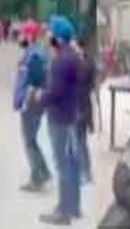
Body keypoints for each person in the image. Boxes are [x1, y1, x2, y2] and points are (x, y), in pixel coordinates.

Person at [35, 16, 81, 225]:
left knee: (62, 164)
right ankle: (72, 206)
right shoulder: (71, 55)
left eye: (51, 33)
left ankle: (63, 212)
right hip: (69, 114)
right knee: (70, 162)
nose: (47, 36)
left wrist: (40, 97)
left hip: (60, 117)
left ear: (58, 38)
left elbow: (56, 91)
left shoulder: (61, 61)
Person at [12, 20, 51, 192]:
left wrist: (25, 100)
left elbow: (37, 82)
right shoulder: (33, 53)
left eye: (22, 34)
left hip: (31, 105)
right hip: (32, 103)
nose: (20, 37)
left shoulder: (34, 56)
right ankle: (44, 172)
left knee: (29, 142)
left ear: (29, 35)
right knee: (31, 140)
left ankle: (37, 178)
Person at [74, 35, 95, 185]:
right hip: (83, 105)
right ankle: (84, 171)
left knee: (80, 141)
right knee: (79, 140)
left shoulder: (83, 64)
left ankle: (85, 172)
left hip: (80, 107)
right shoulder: (87, 62)